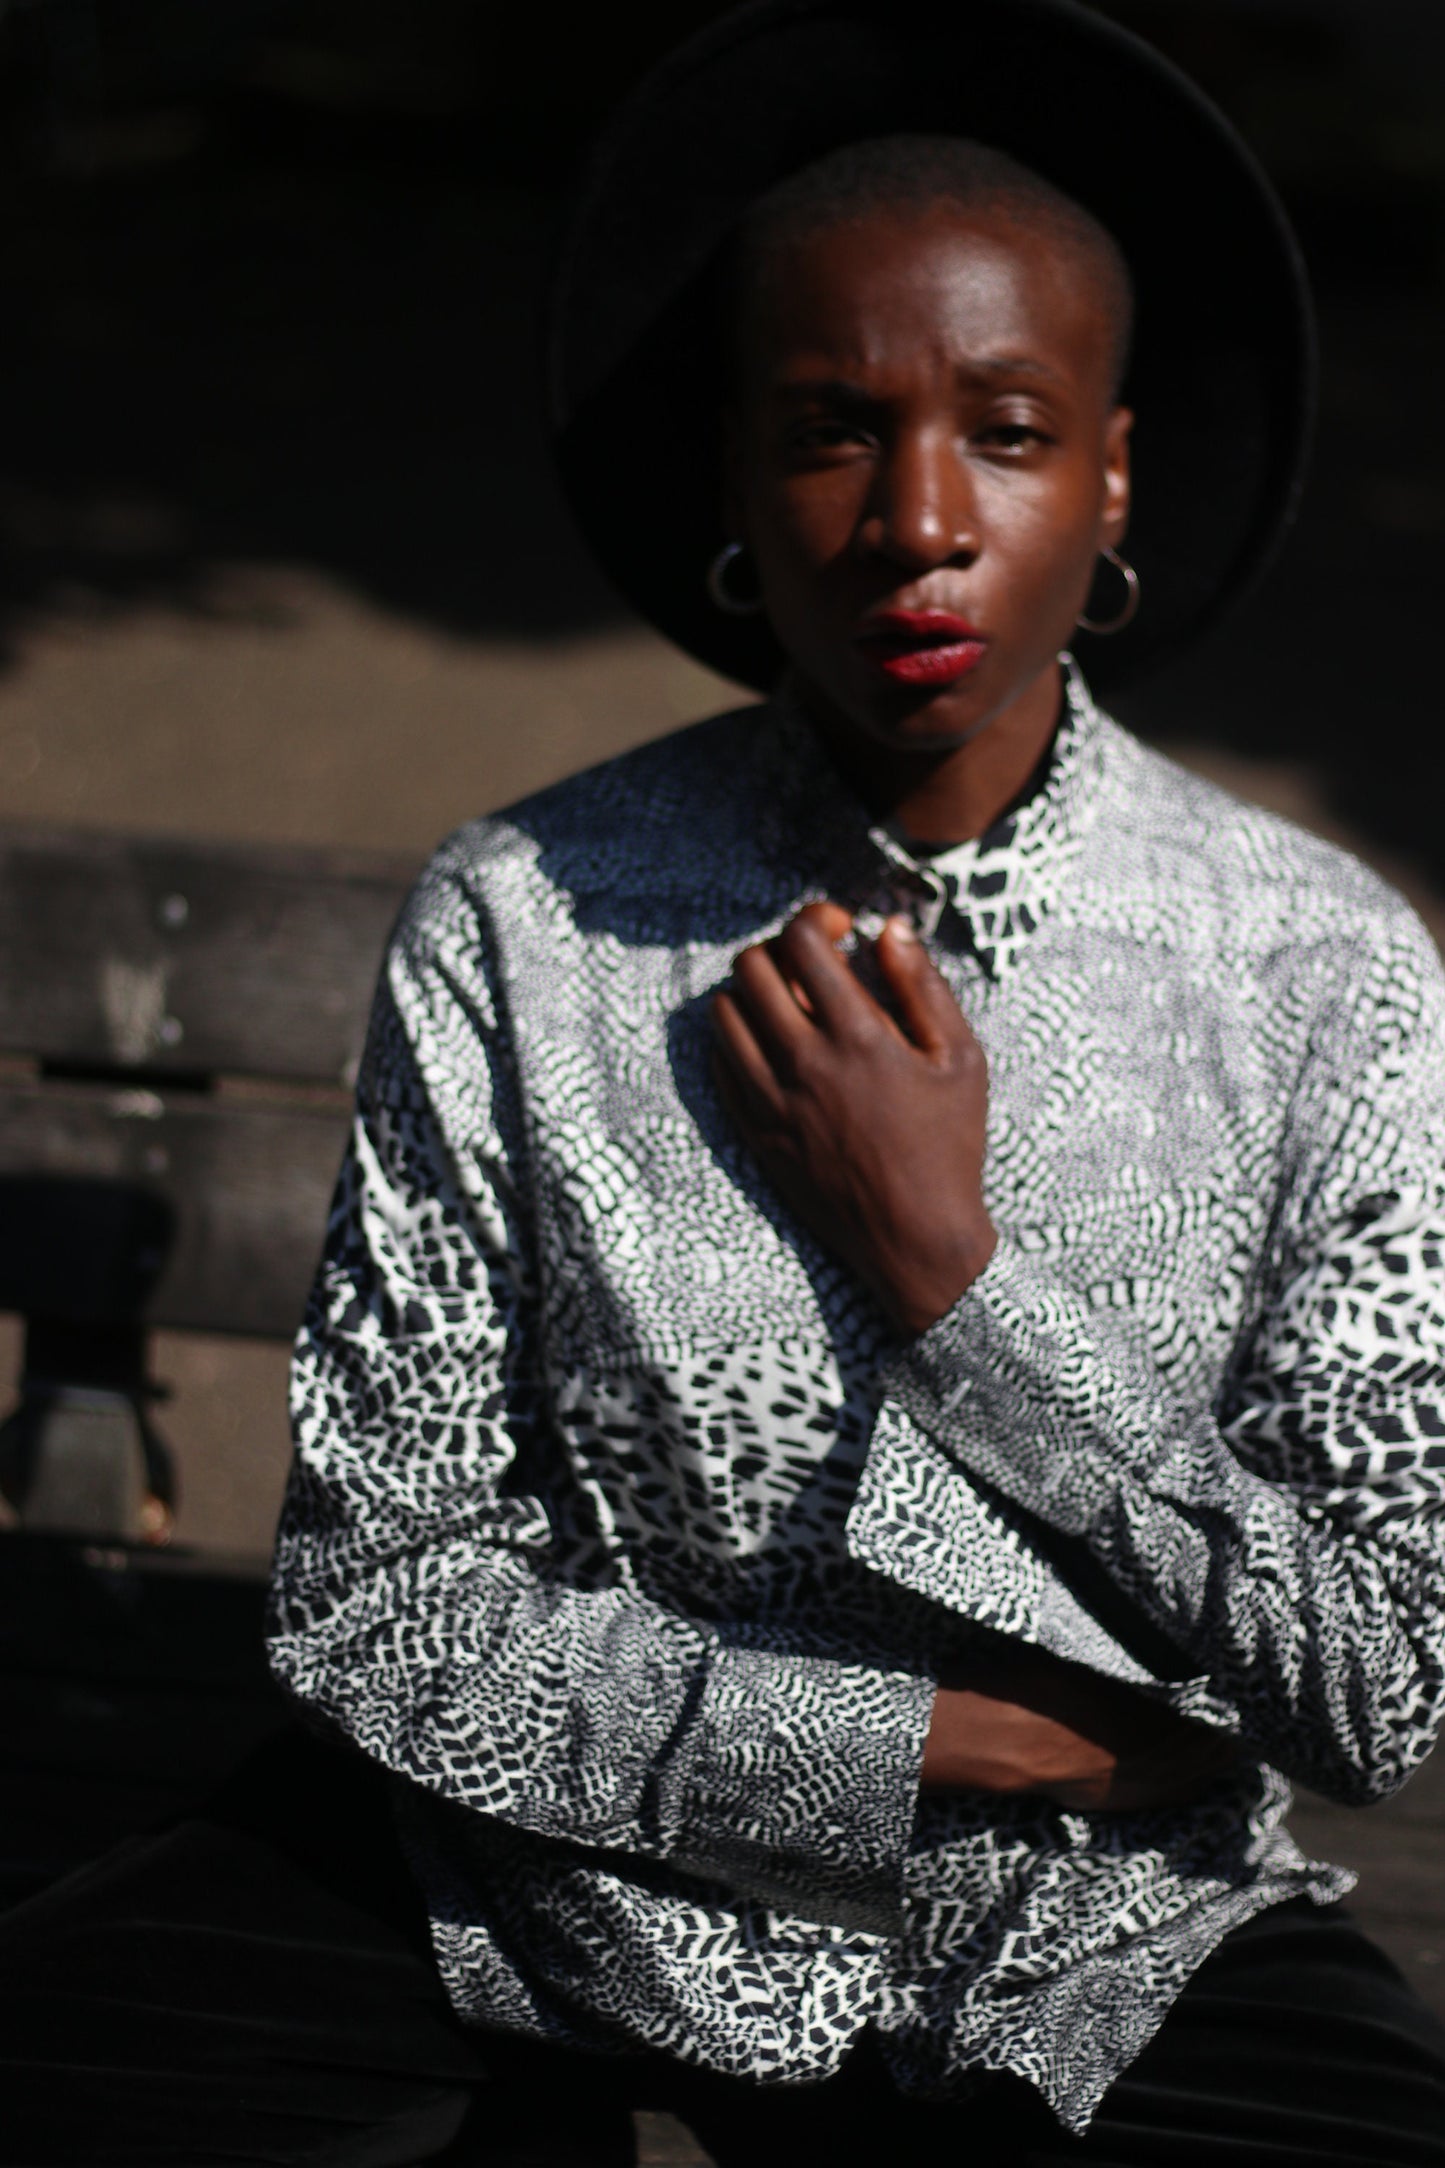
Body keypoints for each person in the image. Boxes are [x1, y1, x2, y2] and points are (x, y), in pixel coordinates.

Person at [6, 1, 1445, 2162]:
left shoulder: (1322, 969)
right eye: (831, 430)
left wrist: (954, 1275)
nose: (919, 521)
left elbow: (1376, 1680)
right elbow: (378, 1599)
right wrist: (927, 1737)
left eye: (1013, 430)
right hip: (520, 1875)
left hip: (1084, 1937)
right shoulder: (526, 912)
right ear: (733, 478)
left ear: (1117, 470)